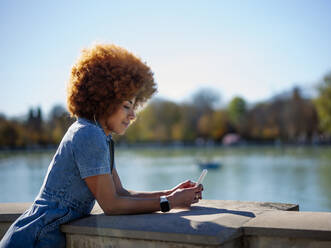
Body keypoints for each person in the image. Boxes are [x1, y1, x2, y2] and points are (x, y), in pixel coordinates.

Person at [0, 43, 203, 248]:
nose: (132, 116)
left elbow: (120, 193)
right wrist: (170, 203)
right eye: (126, 106)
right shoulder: (88, 134)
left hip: (41, 234)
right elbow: (112, 205)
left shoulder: (99, 136)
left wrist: (170, 193)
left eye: (134, 107)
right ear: (103, 100)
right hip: (35, 238)